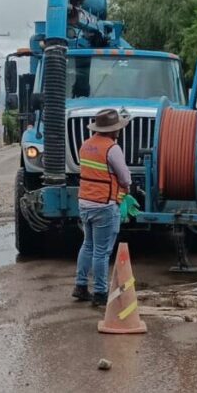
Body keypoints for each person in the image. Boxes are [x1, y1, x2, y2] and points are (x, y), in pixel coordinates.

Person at [73, 108, 131, 306]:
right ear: (113, 130)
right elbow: (124, 177)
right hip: (104, 205)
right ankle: (99, 293)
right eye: (117, 129)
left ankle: (80, 286)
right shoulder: (112, 148)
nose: (119, 132)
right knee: (101, 251)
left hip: (85, 202)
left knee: (87, 245)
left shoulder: (86, 145)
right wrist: (127, 189)